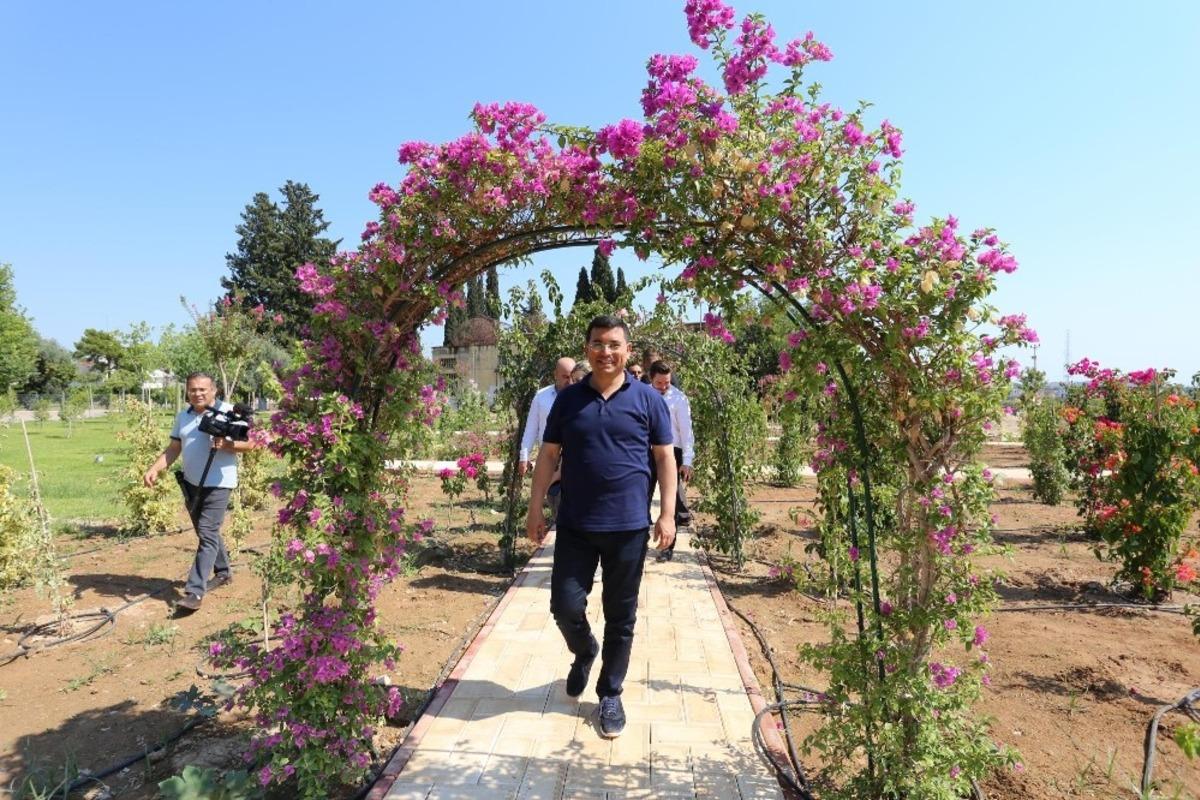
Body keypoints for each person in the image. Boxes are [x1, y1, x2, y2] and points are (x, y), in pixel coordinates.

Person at [527, 315, 676, 739]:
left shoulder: (649, 399)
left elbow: (665, 458)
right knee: (565, 606)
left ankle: (610, 692)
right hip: (575, 523)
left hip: (629, 527)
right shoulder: (568, 400)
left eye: (614, 344)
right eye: (597, 343)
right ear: (588, 349)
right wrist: (535, 508)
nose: (605, 351)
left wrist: (666, 513)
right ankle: (584, 650)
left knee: (621, 616)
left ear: (627, 351)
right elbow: (549, 455)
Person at [143, 373, 258, 613]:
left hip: (219, 483)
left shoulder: (230, 413)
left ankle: (194, 592)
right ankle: (224, 573)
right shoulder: (183, 416)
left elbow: (252, 443)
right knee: (208, 532)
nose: (198, 393)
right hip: (191, 482)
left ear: (214, 390)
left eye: (203, 389)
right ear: (187, 391)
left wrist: (227, 445)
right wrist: (155, 468)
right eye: (193, 389)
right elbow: (175, 448)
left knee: (207, 533)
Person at [648, 361, 694, 562]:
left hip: (672, 453)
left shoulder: (679, 398)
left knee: (672, 501)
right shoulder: (642, 395)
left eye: (667, 382)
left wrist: (687, 460)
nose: (664, 387)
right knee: (640, 497)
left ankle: (668, 547)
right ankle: (638, 543)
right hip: (645, 452)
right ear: (651, 379)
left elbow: (686, 431)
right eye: (659, 383)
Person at [517, 357, 576, 478]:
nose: (569, 381)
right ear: (555, 375)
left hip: (575, 462)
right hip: (549, 461)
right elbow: (531, 429)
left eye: (572, 376)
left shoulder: (582, 397)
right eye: (565, 377)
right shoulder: (541, 397)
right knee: (550, 495)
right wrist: (524, 456)